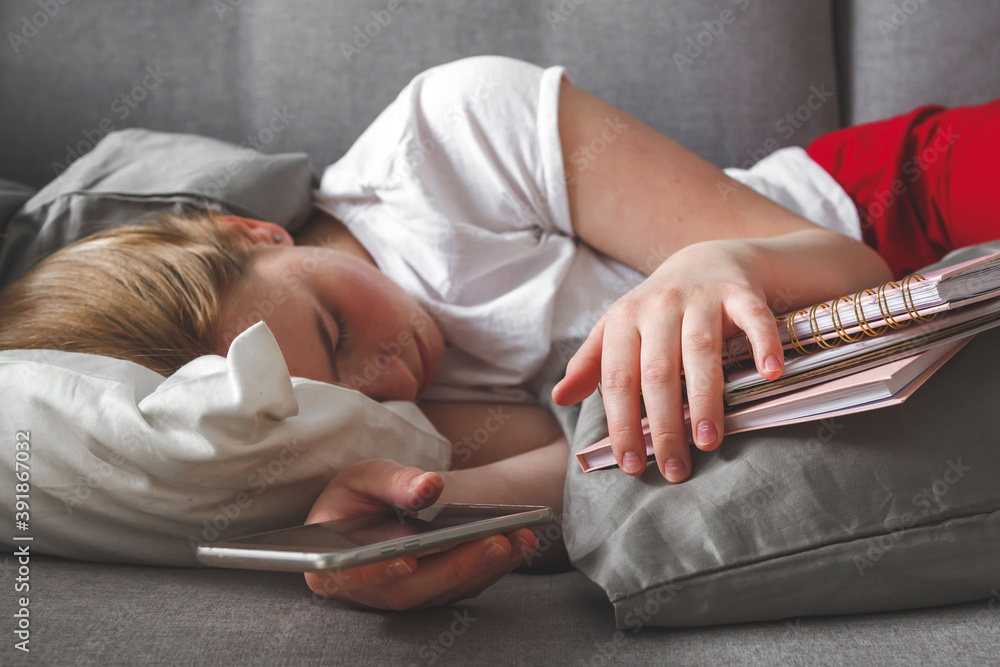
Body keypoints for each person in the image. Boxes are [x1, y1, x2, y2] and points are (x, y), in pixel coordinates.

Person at [0, 56, 995, 612]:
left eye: (334, 324)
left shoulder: (448, 140)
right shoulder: (373, 428)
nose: (391, 375)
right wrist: (424, 522)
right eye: (351, 393)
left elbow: (852, 273)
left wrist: (713, 267)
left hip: (885, 210)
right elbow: (596, 475)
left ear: (250, 230)